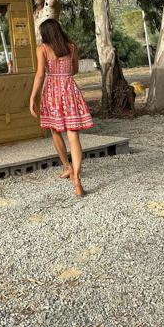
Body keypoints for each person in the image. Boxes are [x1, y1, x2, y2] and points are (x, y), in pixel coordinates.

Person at [28, 18, 94, 196]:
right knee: (73, 135)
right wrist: (63, 74)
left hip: (51, 92)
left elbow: (40, 74)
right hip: (70, 90)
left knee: (55, 130)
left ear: (45, 34)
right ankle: (77, 180)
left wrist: (32, 97)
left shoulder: (42, 49)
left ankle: (67, 167)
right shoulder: (72, 47)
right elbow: (75, 70)